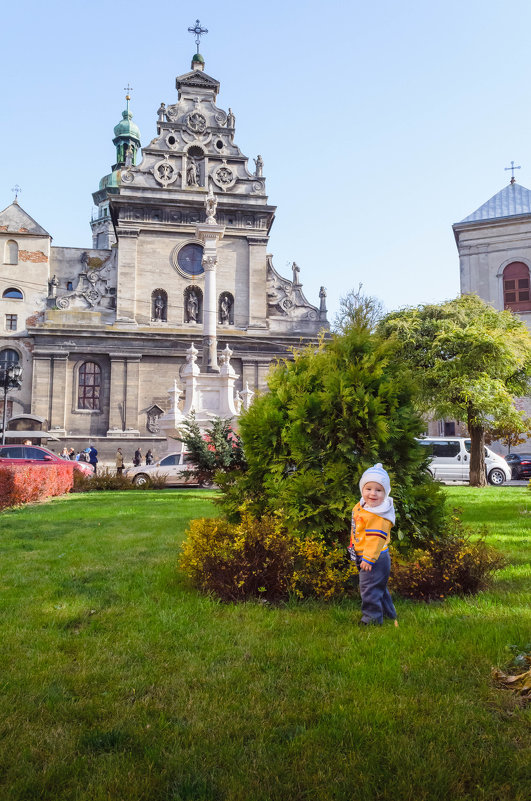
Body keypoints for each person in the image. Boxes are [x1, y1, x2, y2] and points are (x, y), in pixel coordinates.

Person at [349, 463, 398, 626]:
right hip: (364, 554)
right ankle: (389, 613)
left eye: (378, 490)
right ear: (362, 489)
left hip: (374, 558)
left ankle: (372, 618)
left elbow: (376, 540)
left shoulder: (379, 516)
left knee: (369, 589)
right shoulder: (363, 506)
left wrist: (369, 559)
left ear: (386, 492)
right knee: (378, 586)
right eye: (368, 488)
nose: (372, 493)